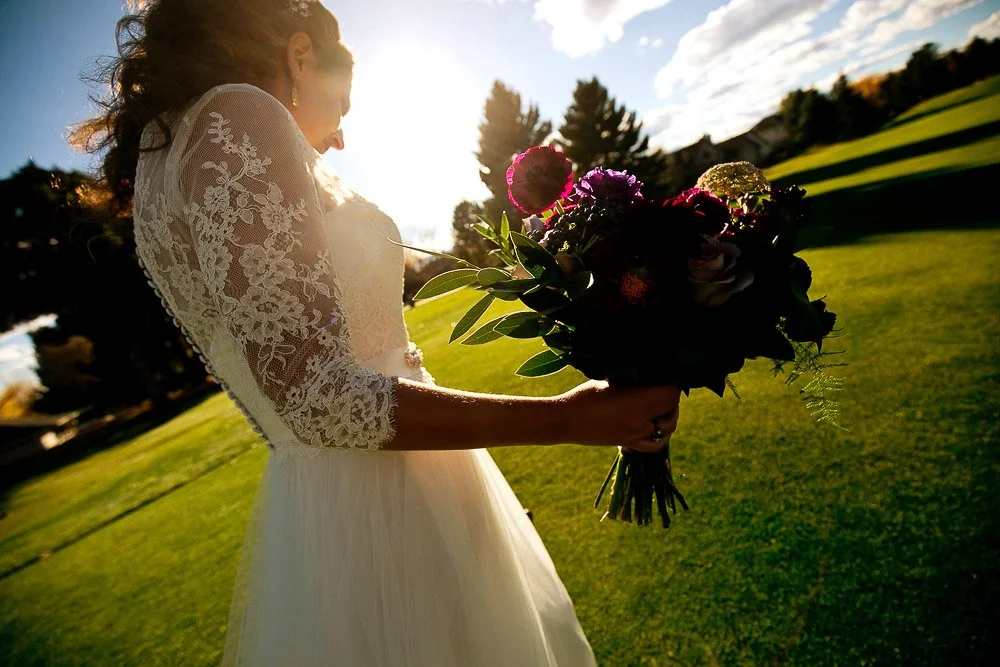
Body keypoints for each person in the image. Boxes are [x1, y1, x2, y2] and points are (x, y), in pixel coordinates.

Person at [72, 1, 681, 664]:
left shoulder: (172, 154)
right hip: (377, 512)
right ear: (301, 56)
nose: (339, 138)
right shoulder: (237, 119)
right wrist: (567, 418)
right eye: (344, 105)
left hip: (342, 506)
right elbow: (313, 395)